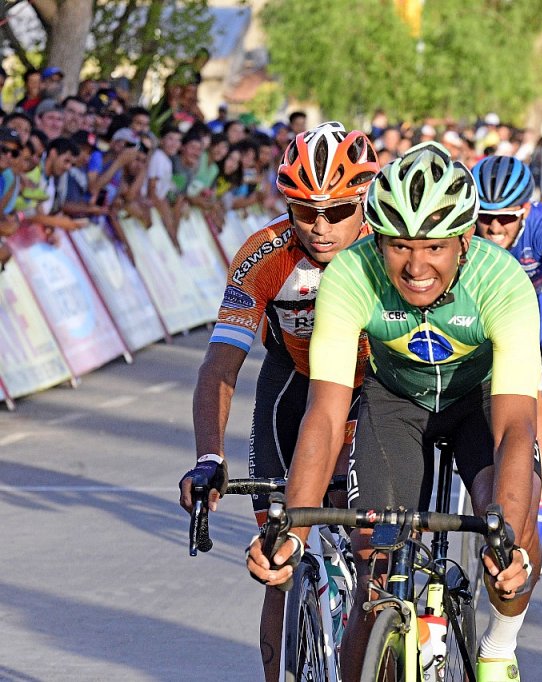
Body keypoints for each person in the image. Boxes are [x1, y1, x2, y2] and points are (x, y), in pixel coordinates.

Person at [246, 142, 542, 682]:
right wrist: (295, 530)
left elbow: (515, 430)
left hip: (479, 401)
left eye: (434, 247)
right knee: (375, 570)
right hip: (395, 403)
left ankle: (499, 646)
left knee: (508, 533)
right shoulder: (352, 273)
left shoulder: (502, 282)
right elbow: (325, 415)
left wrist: (509, 540)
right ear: (377, 239)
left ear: (464, 240)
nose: (416, 266)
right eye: (399, 245)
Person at [178, 121, 378, 682]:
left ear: (364, 201)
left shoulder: (387, 249)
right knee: (276, 559)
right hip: (293, 382)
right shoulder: (264, 255)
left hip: (372, 389)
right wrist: (209, 457)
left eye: (338, 211)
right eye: (304, 210)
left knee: (374, 554)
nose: (320, 227)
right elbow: (220, 365)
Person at [471, 154, 542, 555]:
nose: (494, 227)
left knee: (537, 422)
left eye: (505, 218)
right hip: (489, 316)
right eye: (485, 217)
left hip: (541, 320)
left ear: (524, 211)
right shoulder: (467, 226)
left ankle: (536, 526)